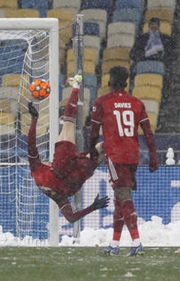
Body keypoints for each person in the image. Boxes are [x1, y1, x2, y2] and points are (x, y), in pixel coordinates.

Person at [89, 66, 158, 256]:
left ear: (110, 82)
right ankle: (114, 244)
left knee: (123, 195)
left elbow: (94, 133)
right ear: (127, 83)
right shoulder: (136, 103)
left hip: (116, 156)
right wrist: (153, 156)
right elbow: (149, 133)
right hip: (133, 156)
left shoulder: (102, 102)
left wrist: (92, 152)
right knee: (120, 199)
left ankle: (137, 242)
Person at [27, 75, 110, 224]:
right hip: (61, 167)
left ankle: (116, 140)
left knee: (98, 151)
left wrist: (93, 207)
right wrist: (34, 119)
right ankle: (76, 86)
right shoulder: (36, 169)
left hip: (75, 180)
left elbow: (71, 218)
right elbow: (31, 143)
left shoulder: (58, 197)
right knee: (68, 123)